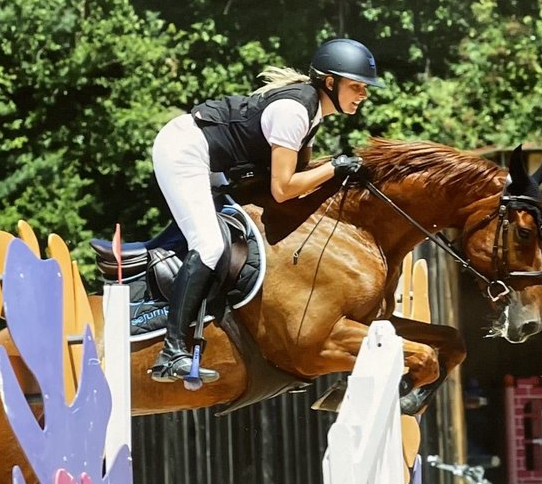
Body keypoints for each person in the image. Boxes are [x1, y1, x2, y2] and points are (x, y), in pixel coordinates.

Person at [149, 38, 384, 383]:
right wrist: (335, 167)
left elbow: (297, 179)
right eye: (356, 86)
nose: (363, 94)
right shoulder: (294, 112)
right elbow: (284, 188)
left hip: (213, 161)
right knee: (210, 245)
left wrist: (336, 171)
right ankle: (171, 352)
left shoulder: (311, 115)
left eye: (364, 87)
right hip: (185, 152)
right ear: (329, 83)